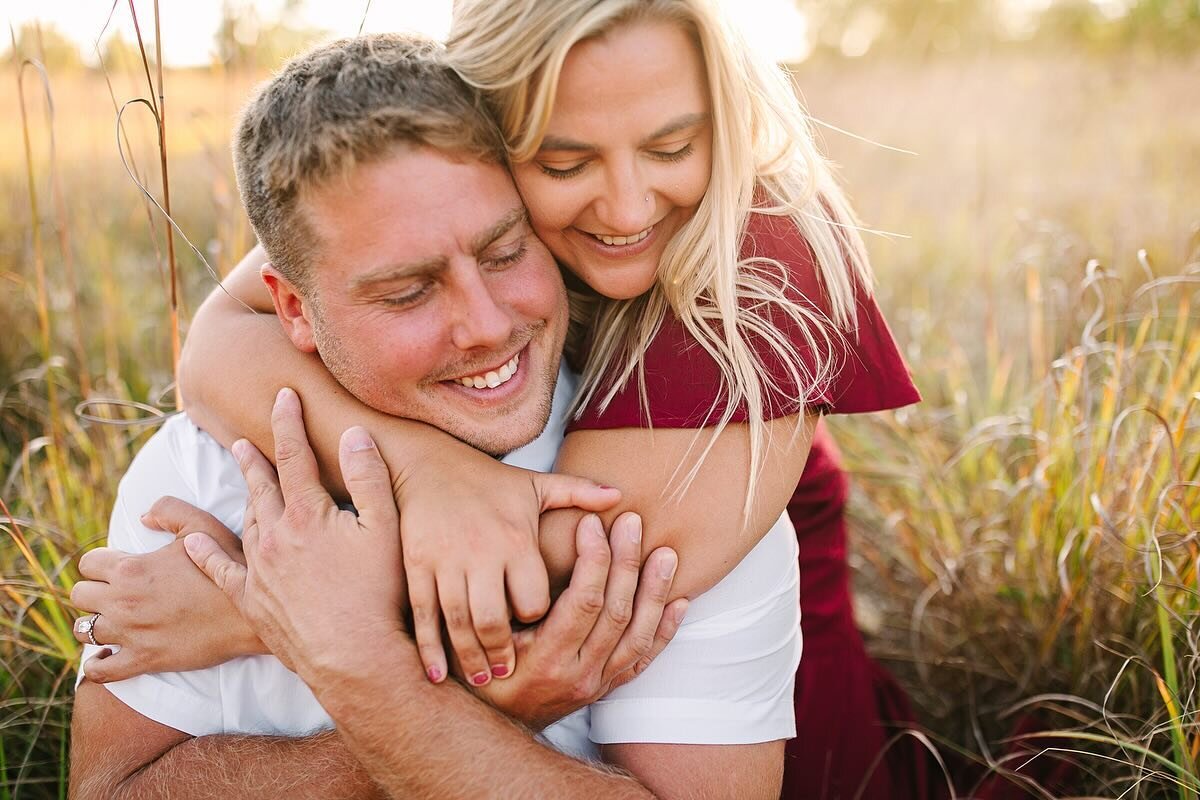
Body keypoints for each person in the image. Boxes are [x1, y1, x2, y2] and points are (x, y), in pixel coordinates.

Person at [80, 0, 924, 795]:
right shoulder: (453, 182)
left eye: (672, 149)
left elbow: (576, 585)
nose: (629, 204)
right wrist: (424, 469)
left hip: (742, 631)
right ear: (495, 141)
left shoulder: (773, 256)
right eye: (563, 162)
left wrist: (256, 611)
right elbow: (224, 333)